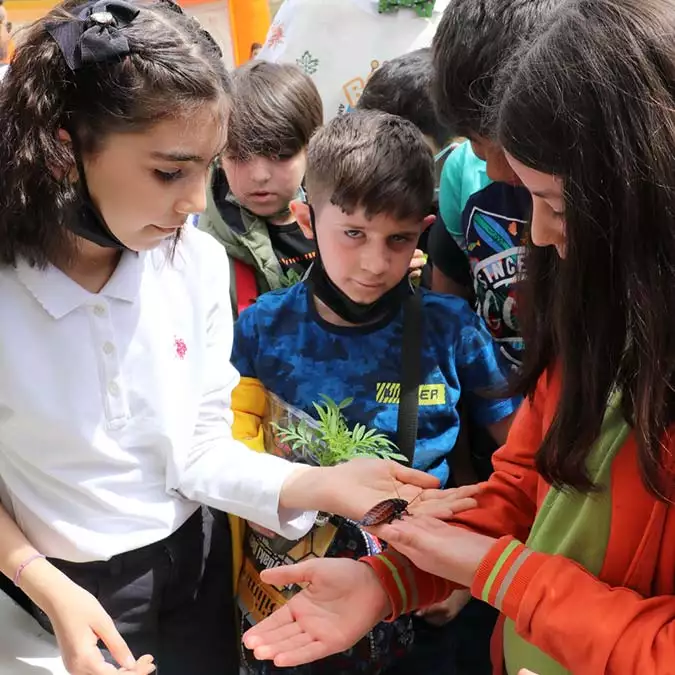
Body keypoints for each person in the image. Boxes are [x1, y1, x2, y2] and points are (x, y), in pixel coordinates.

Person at [0, 2, 448, 674]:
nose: (192, 204)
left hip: (199, 565)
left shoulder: (195, 263)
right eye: (168, 171)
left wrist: (322, 484)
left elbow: (198, 451)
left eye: (205, 169)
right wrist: (41, 580)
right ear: (67, 146)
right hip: (57, 588)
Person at [242, 1, 675, 674]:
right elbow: (521, 491)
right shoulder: (593, 320)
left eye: (555, 205)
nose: (535, 233)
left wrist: (498, 573)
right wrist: (390, 581)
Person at [231, 109, 521, 674]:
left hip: (421, 600)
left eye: (399, 239)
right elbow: (228, 452)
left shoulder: (451, 329)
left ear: (426, 230)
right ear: (305, 218)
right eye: (354, 234)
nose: (373, 262)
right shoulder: (261, 328)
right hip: (292, 600)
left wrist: (464, 573)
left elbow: (516, 459)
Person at [428, 0, 558, 369]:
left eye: (504, 142)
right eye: (474, 142)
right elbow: (449, 308)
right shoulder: (463, 179)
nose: (497, 169)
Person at [198, 60, 323, 317]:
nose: (259, 176)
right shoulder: (204, 254)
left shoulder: (346, 215)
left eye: (279, 155)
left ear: (311, 147)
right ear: (220, 155)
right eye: (239, 156)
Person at [356, 48, 464, 291]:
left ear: (454, 153)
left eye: (404, 152)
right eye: (374, 148)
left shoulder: (473, 217)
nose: (384, 167)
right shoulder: (354, 209)